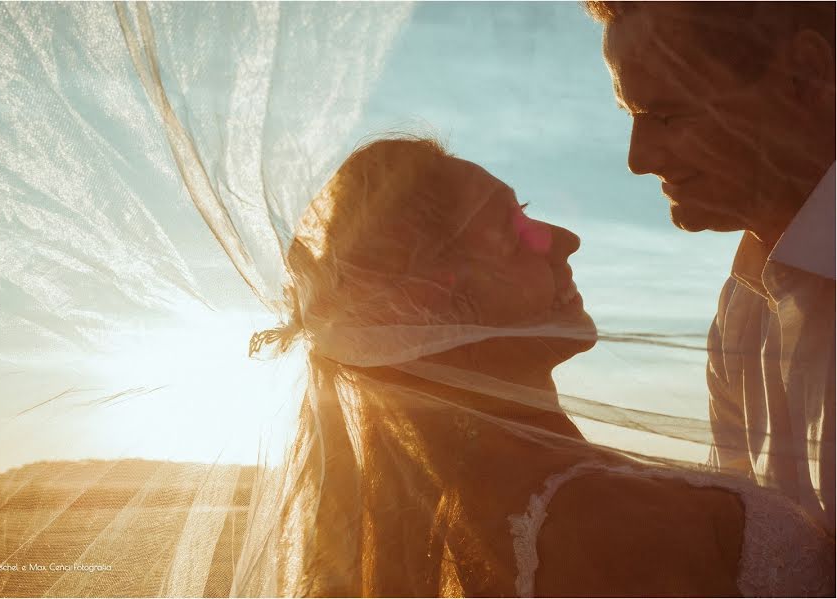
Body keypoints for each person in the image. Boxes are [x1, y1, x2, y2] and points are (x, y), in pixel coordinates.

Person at [247, 137, 834, 597]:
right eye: (515, 230)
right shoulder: (614, 526)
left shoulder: (452, 521)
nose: (566, 239)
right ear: (429, 302)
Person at [586, 1, 836, 535]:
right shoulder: (742, 306)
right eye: (632, 117)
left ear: (805, 75)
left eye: (667, 115)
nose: (638, 158)